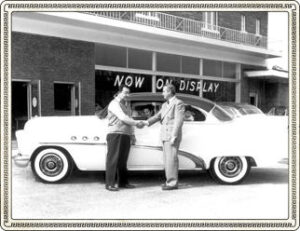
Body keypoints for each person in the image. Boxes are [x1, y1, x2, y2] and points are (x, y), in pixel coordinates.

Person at [144, 84, 185, 190]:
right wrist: (146, 122)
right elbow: (158, 116)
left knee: (171, 159)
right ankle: (169, 181)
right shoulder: (164, 105)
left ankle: (172, 183)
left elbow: (178, 121)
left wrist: (174, 135)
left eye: (164, 91)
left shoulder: (178, 103)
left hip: (171, 135)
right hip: (164, 135)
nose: (162, 93)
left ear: (170, 92)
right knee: (167, 160)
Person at [105, 84, 144, 191]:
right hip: (115, 134)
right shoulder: (114, 104)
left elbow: (129, 120)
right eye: (125, 92)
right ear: (119, 92)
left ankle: (123, 183)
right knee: (112, 159)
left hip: (125, 135)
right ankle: (109, 184)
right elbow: (123, 118)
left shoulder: (127, 105)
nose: (127, 95)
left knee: (123, 160)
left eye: (128, 93)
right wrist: (137, 123)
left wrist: (132, 135)